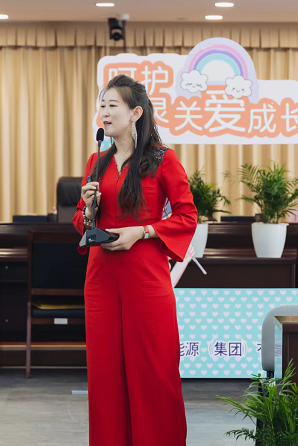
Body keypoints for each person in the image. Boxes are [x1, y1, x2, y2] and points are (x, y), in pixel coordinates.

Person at [73, 74, 197, 446]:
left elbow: (187, 216)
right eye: (102, 105)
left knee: (153, 374)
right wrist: (89, 208)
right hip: (101, 280)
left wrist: (141, 232)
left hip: (145, 278)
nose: (104, 112)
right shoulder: (97, 160)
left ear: (135, 113)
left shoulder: (162, 159)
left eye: (113, 105)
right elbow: (82, 221)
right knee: (106, 377)